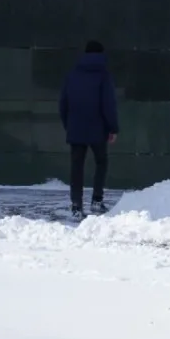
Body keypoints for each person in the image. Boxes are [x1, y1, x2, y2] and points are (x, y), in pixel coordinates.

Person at [59, 40, 119, 218]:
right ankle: (96, 200)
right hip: (98, 129)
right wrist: (112, 128)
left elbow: (63, 103)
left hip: (76, 128)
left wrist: (68, 125)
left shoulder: (72, 74)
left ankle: (76, 205)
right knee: (101, 162)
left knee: (77, 166)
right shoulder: (103, 75)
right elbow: (108, 104)